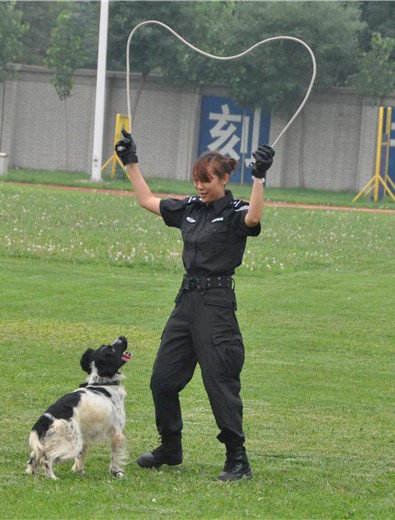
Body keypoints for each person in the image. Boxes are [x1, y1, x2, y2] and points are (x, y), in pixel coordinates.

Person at [114, 129, 274, 481]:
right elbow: (148, 201)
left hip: (216, 306)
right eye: (197, 180)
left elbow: (254, 218)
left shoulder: (234, 212)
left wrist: (260, 177)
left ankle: (237, 459)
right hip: (186, 302)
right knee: (163, 380)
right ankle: (171, 447)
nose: (201, 187)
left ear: (225, 178)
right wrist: (130, 163)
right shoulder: (188, 208)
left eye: (207, 181)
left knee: (220, 381)